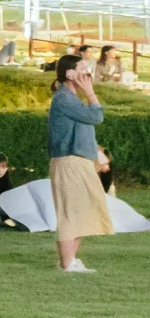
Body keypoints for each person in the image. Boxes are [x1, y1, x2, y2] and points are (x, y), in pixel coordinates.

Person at [48, 53, 110, 272]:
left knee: (84, 211)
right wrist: (90, 91)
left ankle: (70, 260)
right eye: (82, 68)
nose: (87, 72)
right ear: (69, 73)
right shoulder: (64, 98)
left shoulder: (71, 98)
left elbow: (84, 128)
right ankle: (67, 264)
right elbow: (96, 117)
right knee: (71, 214)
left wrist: (96, 154)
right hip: (69, 163)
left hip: (80, 162)